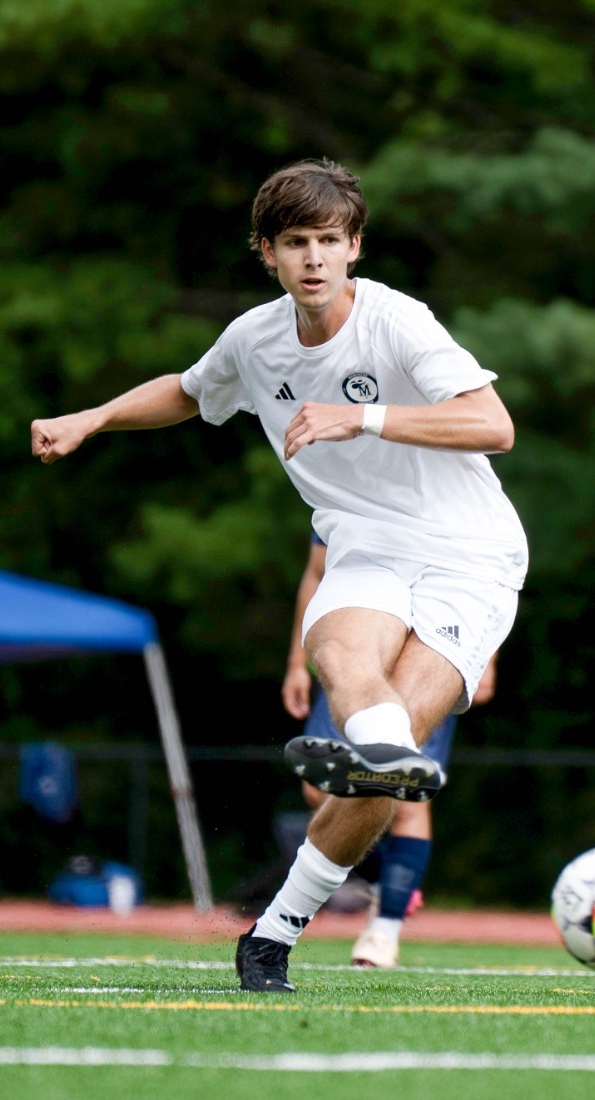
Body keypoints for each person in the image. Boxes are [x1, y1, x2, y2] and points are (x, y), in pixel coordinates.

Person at [31, 159, 526, 992]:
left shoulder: (400, 323)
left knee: (381, 765)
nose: (314, 259)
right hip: (363, 546)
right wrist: (96, 416)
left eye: (329, 241)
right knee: (347, 669)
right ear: (267, 252)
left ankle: (275, 930)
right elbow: (190, 392)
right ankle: (379, 755)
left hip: (470, 556)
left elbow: (493, 424)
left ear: (354, 247)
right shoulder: (253, 339)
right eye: (295, 243)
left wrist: (359, 415)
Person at [282, 531, 499, 968]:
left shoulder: (448, 485)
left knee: (405, 792)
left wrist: (485, 656)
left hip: (429, 651)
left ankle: (384, 932)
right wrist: (295, 662)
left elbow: (487, 572)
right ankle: (392, 879)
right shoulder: (347, 479)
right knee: (318, 792)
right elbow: (318, 572)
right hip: (356, 650)